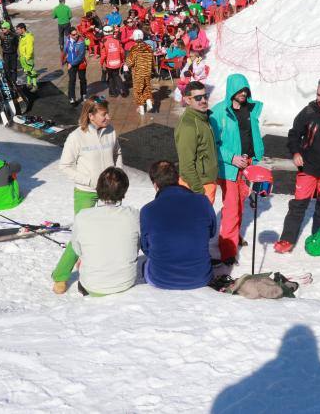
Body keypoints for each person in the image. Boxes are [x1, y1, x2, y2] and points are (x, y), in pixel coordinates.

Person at [53, 97, 123, 293]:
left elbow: (117, 152)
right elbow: (65, 166)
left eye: (108, 113)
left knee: (108, 231)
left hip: (109, 191)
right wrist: (91, 181)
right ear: (90, 116)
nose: (108, 117)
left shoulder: (111, 131)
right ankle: (60, 275)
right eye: (103, 114)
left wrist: (119, 174)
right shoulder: (76, 137)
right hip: (86, 192)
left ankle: (99, 266)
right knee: (81, 235)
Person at [274, 78, 320, 254]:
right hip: (308, 167)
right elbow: (294, 134)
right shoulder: (309, 111)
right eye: (318, 94)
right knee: (298, 205)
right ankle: (287, 239)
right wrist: (296, 152)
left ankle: (319, 239)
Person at [52, 167, 139, 297]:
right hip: (126, 283)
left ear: (98, 189)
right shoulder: (133, 215)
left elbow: (77, 249)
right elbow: (137, 245)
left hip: (93, 286)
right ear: (124, 192)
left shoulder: (83, 216)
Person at [209, 74, 264, 265]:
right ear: (231, 90)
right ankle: (228, 250)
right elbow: (213, 144)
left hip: (247, 165)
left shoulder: (250, 110)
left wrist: (256, 157)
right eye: (239, 90)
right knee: (232, 207)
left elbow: (253, 136)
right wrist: (232, 158)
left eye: (245, 90)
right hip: (229, 167)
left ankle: (233, 236)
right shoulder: (219, 112)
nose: (242, 93)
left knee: (240, 204)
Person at [140, 161, 216, 290]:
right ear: (178, 179)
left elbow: (146, 247)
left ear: (155, 185)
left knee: (145, 265)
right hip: (201, 277)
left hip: (161, 279)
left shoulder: (148, 210)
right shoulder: (203, 201)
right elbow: (211, 233)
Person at [174, 81, 218, 204]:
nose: (203, 100)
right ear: (188, 100)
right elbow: (186, 166)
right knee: (197, 223)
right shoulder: (189, 126)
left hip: (206, 184)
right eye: (198, 98)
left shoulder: (202, 118)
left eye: (205, 96)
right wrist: (200, 193)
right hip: (197, 188)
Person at [125, 29, 155, 115]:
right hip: (147, 72)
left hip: (138, 73)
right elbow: (153, 61)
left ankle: (141, 109)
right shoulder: (148, 47)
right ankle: (149, 102)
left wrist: (126, 63)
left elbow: (130, 62)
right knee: (146, 87)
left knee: (138, 90)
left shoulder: (134, 49)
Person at [100, 25, 127, 98]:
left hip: (109, 63)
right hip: (117, 62)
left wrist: (101, 63)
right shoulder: (117, 41)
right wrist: (123, 60)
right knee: (117, 75)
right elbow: (122, 52)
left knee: (111, 77)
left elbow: (103, 55)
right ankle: (122, 90)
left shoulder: (103, 42)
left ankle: (113, 92)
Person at [64, 26, 88, 104]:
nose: (76, 36)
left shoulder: (81, 42)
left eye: (76, 34)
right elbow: (65, 49)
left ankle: (83, 94)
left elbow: (81, 56)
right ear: (70, 35)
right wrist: (66, 57)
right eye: (73, 35)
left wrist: (71, 63)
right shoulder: (67, 40)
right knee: (72, 80)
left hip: (79, 63)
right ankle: (72, 97)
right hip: (70, 63)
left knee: (82, 79)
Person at [16, 23, 36, 91]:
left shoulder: (29, 36)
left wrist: (28, 57)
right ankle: (29, 83)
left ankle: (35, 85)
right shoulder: (22, 36)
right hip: (23, 57)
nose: (17, 31)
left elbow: (30, 48)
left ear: (23, 29)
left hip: (27, 58)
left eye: (18, 29)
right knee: (27, 71)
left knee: (31, 71)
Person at [0, 21, 19, 85]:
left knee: (13, 68)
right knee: (6, 69)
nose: (2, 29)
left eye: (4, 28)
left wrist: (13, 50)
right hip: (6, 54)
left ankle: (14, 82)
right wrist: (4, 50)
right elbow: (1, 44)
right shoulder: (1, 36)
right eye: (2, 28)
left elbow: (16, 44)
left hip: (13, 54)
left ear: (8, 28)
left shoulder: (14, 36)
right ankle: (9, 81)